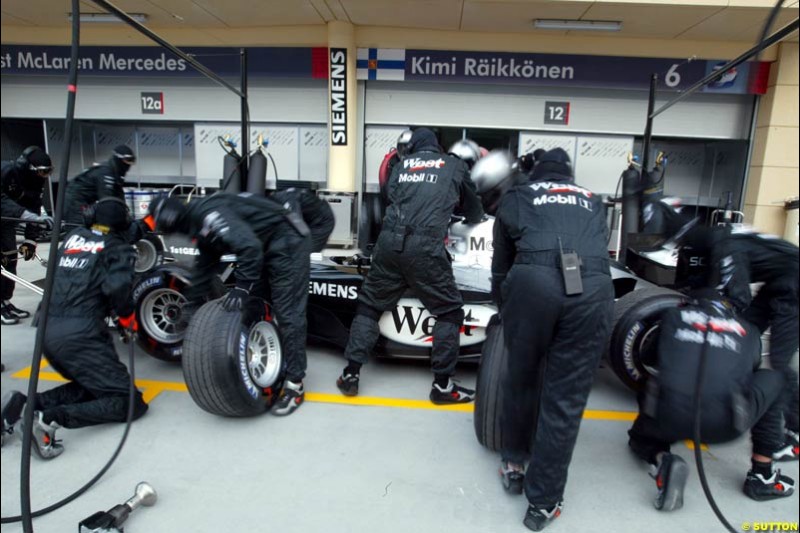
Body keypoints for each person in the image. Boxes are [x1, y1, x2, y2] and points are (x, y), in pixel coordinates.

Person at [480, 148, 614, 531]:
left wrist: (506, 309)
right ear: (570, 177)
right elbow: (597, 247)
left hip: (531, 284)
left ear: (536, 174)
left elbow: (500, 268)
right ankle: (544, 502)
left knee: (520, 377)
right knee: (565, 398)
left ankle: (513, 461)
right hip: (590, 289)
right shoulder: (594, 201)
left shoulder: (518, 197)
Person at [336, 127, 484, 404]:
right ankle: (441, 387)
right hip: (426, 248)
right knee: (449, 312)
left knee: (369, 306)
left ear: (413, 148)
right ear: (437, 147)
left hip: (389, 245)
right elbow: (474, 208)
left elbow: (391, 199)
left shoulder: (401, 165)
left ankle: (350, 374)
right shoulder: (453, 165)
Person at [0, 197, 148, 458]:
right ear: (121, 224)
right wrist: (128, 321)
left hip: (47, 331)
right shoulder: (118, 248)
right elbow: (118, 290)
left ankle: (21, 405)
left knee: (93, 387)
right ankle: (48, 420)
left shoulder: (72, 238)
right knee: (130, 402)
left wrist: (149, 222)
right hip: (82, 336)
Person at [149, 191, 317, 416]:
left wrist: (242, 286)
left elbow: (248, 247)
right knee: (256, 304)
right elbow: (205, 264)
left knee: (288, 313)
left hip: (288, 240)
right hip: (265, 242)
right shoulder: (195, 222)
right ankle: (279, 357)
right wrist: (190, 305)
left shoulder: (207, 215)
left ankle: (295, 385)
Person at [627, 291, 794, 509]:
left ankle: (661, 458)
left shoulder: (672, 316)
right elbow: (748, 372)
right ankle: (762, 475)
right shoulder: (749, 331)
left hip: (666, 417)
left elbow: (647, 357)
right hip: (724, 424)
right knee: (774, 379)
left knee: (650, 400)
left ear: (689, 303)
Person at [707, 226, 800, 462]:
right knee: (742, 334)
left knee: (778, 365)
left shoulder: (724, 247)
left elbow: (737, 297)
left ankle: (796, 433)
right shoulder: (727, 240)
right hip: (780, 280)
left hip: (795, 287)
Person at [1, 146, 54, 325]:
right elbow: (3, 201)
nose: (44, 176)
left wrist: (31, 240)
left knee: (10, 260)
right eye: (42, 171)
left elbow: (34, 204)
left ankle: (5, 301)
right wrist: (28, 216)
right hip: (5, 214)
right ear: (28, 167)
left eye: (48, 172)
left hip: (6, 222)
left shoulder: (35, 181)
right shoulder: (6, 171)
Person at [63, 145, 136, 226]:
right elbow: (107, 201)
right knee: (82, 227)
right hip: (75, 202)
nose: (129, 164)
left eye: (132, 161)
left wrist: (126, 215)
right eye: (127, 160)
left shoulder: (115, 172)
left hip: (86, 202)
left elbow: (118, 197)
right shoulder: (106, 172)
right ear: (118, 158)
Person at [377, 129, 413, 204]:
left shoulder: (420, 164)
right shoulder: (392, 162)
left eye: (407, 148)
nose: (404, 151)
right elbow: (388, 189)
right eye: (402, 147)